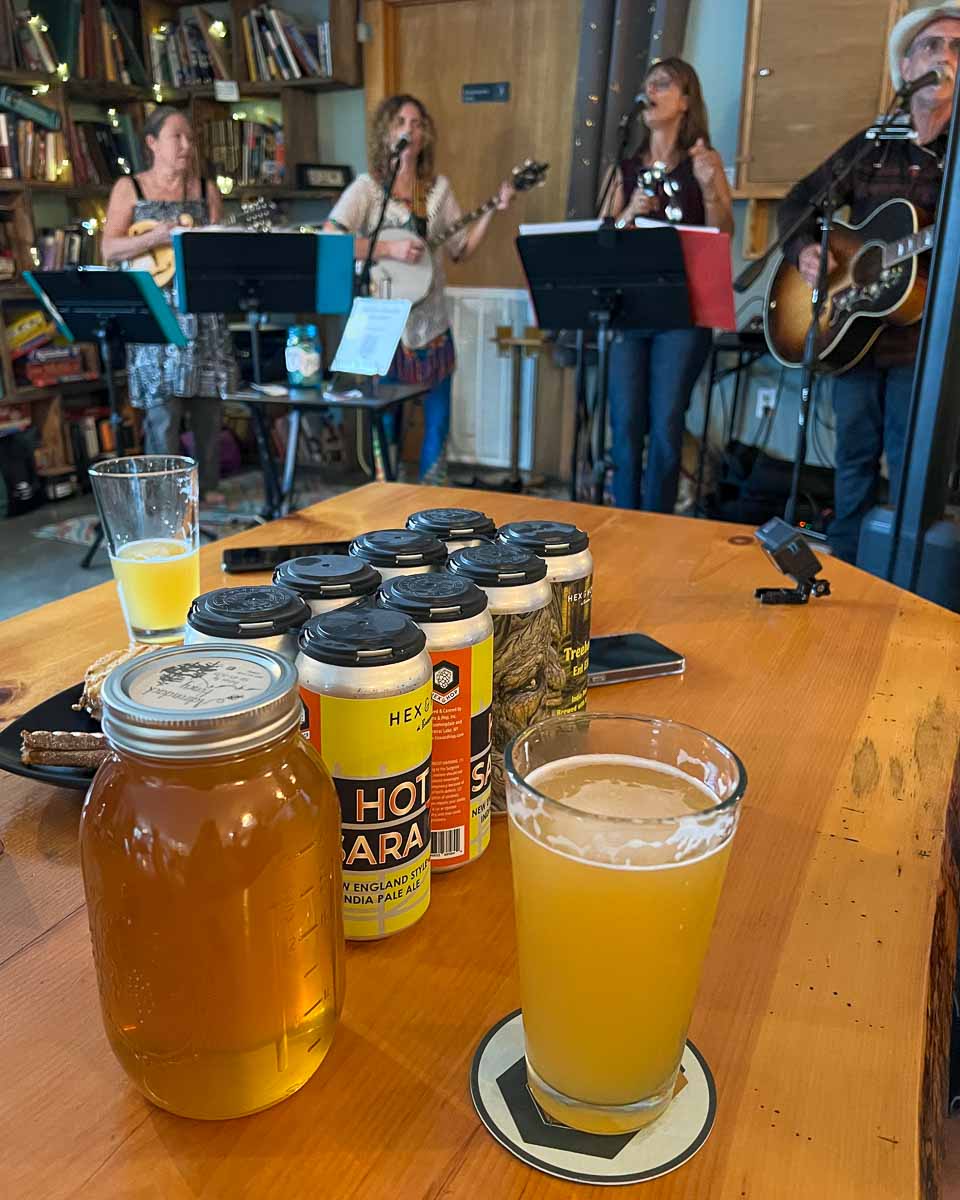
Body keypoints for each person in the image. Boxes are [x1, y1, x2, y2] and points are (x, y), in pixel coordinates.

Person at [777, 3, 960, 562]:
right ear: (906, 68)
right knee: (852, 458)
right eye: (933, 47)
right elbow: (802, 201)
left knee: (913, 465)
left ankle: (907, 577)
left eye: (957, 49)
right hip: (854, 334)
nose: (946, 58)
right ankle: (849, 568)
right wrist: (808, 250)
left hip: (925, 342)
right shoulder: (874, 143)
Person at [325, 94, 514, 484]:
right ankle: (385, 501)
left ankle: (433, 502)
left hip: (431, 325)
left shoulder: (439, 191)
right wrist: (390, 247)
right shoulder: (366, 190)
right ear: (387, 133)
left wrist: (494, 208)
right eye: (400, 122)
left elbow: (460, 248)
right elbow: (331, 241)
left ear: (425, 136)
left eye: (416, 123)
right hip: (384, 326)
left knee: (438, 421)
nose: (409, 130)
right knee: (387, 423)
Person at [602, 57, 734, 513]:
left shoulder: (703, 162)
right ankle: (620, 521)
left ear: (685, 100)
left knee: (665, 424)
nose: (650, 92)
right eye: (647, 84)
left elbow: (721, 235)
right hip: (630, 309)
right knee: (624, 423)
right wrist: (628, 214)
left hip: (683, 313)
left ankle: (657, 524)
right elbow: (605, 244)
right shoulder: (624, 169)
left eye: (662, 84)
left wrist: (710, 187)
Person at [101, 106, 238, 497]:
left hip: (203, 312)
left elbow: (218, 253)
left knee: (208, 410)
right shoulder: (131, 188)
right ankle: (161, 497)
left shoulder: (206, 189)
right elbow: (110, 248)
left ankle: (206, 493)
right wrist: (155, 238)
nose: (186, 145)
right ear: (151, 143)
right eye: (176, 136)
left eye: (190, 138)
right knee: (163, 415)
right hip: (156, 313)